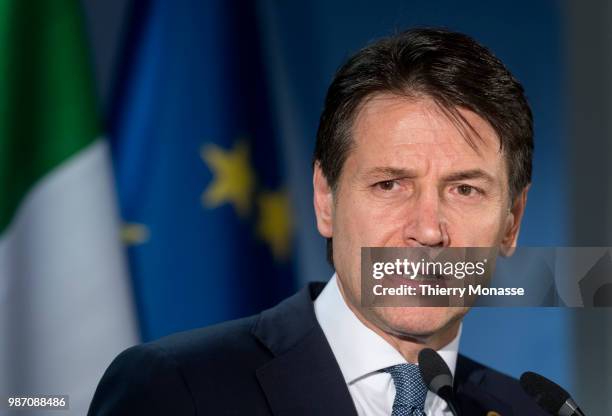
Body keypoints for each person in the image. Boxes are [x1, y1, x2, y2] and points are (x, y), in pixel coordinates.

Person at [89, 28, 547, 415]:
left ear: (512, 222)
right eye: (390, 184)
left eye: (465, 190)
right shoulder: (177, 388)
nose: (428, 231)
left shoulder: (531, 409)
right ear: (325, 198)